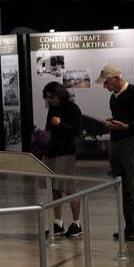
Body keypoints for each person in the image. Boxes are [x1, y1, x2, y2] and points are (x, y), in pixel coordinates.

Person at [99, 64, 134, 241]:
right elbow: (121, 116)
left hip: (130, 143)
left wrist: (127, 126)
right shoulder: (114, 97)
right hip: (116, 143)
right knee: (122, 187)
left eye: (106, 82)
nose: (104, 86)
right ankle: (130, 227)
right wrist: (112, 123)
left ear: (115, 79)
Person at [41, 82, 83, 237]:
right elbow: (49, 127)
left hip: (66, 152)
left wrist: (61, 124)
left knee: (70, 188)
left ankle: (76, 223)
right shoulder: (53, 108)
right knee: (55, 188)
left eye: (51, 97)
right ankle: (58, 222)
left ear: (59, 94)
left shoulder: (72, 108)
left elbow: (77, 131)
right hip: (52, 151)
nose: (50, 100)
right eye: (47, 98)